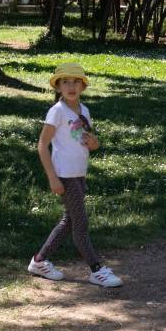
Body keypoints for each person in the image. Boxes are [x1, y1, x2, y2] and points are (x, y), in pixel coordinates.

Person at [29, 63, 122, 288]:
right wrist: (52, 178)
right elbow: (42, 145)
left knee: (69, 221)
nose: (71, 86)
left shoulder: (84, 111)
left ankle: (39, 262)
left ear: (83, 86)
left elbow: (88, 141)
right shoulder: (57, 111)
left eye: (75, 82)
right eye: (65, 82)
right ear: (58, 87)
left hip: (79, 174)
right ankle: (96, 269)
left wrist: (95, 143)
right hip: (65, 175)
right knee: (80, 225)